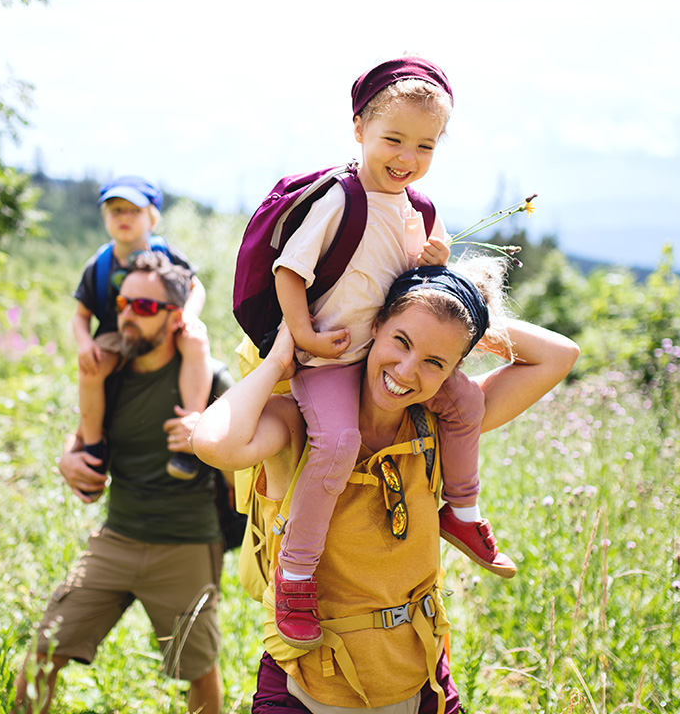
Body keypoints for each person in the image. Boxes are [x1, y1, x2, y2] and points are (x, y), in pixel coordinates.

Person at [193, 257, 580, 713]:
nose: (407, 370)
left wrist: (461, 309)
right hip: (305, 686)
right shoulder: (300, 424)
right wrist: (279, 359)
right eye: (401, 340)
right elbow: (214, 442)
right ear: (373, 325)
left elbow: (560, 355)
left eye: (435, 361)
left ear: (453, 370)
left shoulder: (441, 425)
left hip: (421, 683)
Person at [265, 56, 512, 649]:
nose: (407, 157)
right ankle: (295, 574)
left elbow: (425, 273)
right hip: (331, 357)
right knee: (338, 442)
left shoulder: (417, 208)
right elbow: (289, 271)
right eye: (393, 139)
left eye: (424, 146)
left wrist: (434, 258)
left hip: (385, 353)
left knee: (464, 404)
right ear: (359, 130)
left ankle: (463, 509)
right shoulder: (339, 199)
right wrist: (303, 337)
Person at [15, 252, 234, 714]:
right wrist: (66, 462)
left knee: (197, 669)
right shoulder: (110, 374)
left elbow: (246, 468)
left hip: (187, 544)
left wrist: (209, 443)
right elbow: (81, 442)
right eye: (123, 303)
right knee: (42, 652)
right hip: (116, 538)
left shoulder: (211, 379)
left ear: (176, 318)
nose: (128, 315)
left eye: (145, 307)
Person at [73, 175, 211, 484]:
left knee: (196, 341)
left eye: (133, 210)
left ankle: (188, 433)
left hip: (163, 325)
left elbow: (195, 287)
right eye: (115, 210)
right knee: (91, 370)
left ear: (152, 217)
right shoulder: (99, 264)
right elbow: (80, 315)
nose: (124, 217)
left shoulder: (167, 254)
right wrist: (84, 343)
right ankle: (94, 447)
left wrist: (188, 316)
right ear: (104, 217)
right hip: (115, 332)